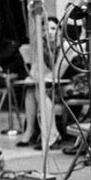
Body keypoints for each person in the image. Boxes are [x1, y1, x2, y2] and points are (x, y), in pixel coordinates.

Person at [18, 16, 62, 149]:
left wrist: (39, 78)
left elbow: (58, 72)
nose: (49, 32)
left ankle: (51, 134)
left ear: (59, 30)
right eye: (45, 29)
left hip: (70, 85)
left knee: (38, 89)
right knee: (32, 90)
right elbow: (36, 69)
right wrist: (35, 77)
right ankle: (32, 130)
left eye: (53, 28)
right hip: (52, 84)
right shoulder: (42, 47)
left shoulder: (65, 47)